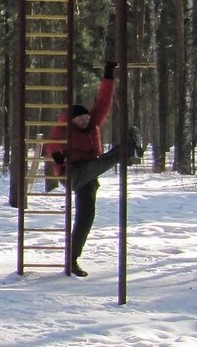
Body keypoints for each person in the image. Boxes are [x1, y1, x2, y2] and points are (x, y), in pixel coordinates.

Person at [45, 60, 141, 277]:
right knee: (102, 162)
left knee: (86, 217)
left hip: (89, 175)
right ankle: (128, 148)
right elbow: (53, 143)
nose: (87, 119)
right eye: (82, 117)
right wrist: (57, 155)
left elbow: (104, 102)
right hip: (74, 174)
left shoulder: (93, 123)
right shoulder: (65, 129)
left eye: (87, 116)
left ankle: (72, 259)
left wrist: (108, 76)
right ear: (73, 119)